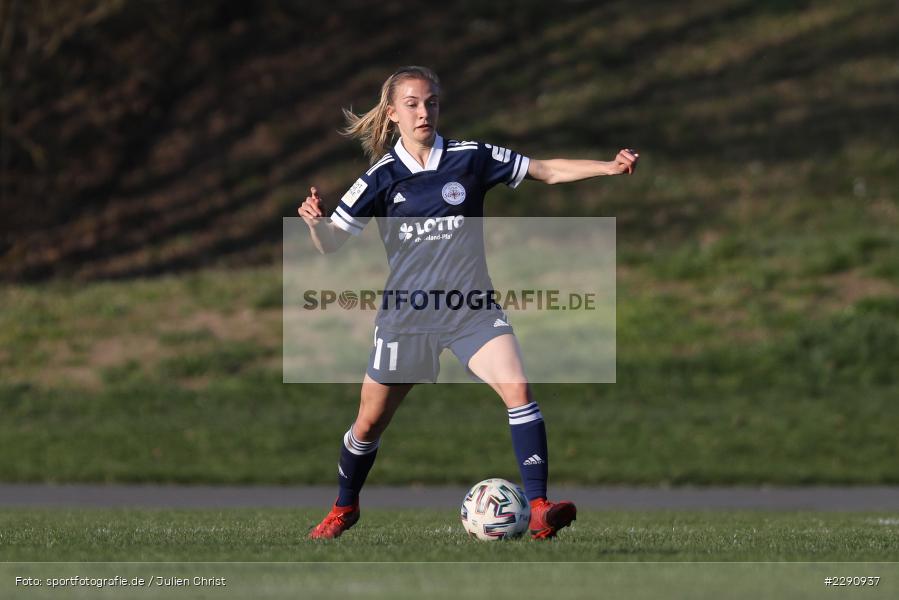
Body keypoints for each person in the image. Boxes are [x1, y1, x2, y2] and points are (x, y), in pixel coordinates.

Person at [298, 66, 638, 540]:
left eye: (431, 102)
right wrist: (316, 224)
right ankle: (344, 507)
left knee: (518, 390)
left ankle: (539, 508)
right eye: (412, 104)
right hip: (407, 318)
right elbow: (332, 243)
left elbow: (545, 170)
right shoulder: (380, 177)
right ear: (392, 113)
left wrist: (607, 166)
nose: (424, 111)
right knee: (369, 424)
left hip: (470, 308)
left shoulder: (472, 156)